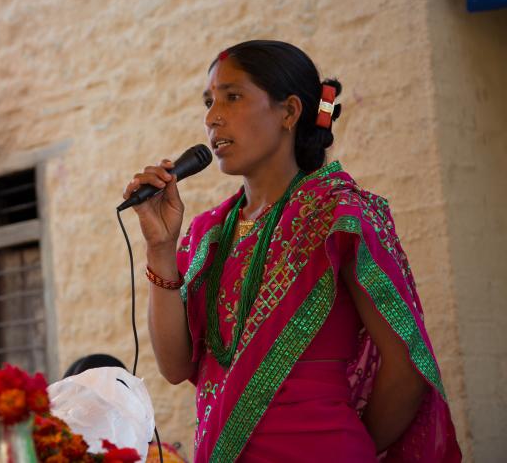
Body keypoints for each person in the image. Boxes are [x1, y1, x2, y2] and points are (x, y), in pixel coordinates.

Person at [123, 40, 461, 462]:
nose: (212, 117)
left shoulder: (340, 215)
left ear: (289, 112)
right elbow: (174, 368)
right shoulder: (208, 234)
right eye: (209, 101)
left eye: (233, 96)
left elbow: (407, 369)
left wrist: (342, 446)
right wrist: (160, 248)